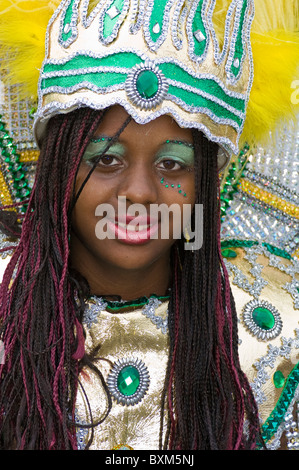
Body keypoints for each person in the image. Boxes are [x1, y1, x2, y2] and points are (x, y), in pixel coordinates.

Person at [0, 0, 298, 451]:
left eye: (172, 164)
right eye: (106, 159)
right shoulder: (8, 312)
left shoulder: (277, 332)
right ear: (60, 170)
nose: (139, 193)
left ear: (205, 186)